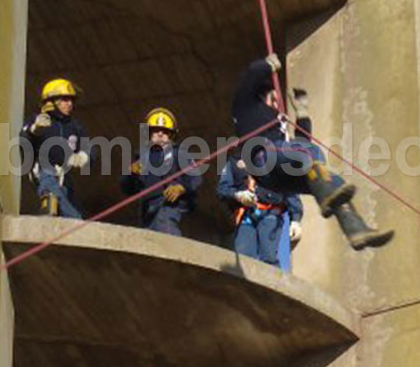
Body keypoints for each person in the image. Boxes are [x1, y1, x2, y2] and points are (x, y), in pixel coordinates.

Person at [231, 54, 394, 250]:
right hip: (263, 159)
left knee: (323, 175)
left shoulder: (275, 120)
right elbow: (250, 77)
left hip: (277, 178)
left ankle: (355, 229)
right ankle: (328, 195)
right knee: (311, 156)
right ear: (264, 95)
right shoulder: (247, 107)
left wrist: (302, 114)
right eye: (274, 98)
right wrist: (266, 65)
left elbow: (300, 144)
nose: (277, 103)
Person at [120, 108, 202, 237]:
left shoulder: (179, 154)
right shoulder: (142, 157)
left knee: (166, 232)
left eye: (165, 131)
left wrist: (181, 188)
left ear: (171, 135)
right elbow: (128, 189)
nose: (160, 134)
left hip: (167, 204)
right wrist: (131, 175)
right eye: (155, 130)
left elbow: (195, 177)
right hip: (146, 208)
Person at [21, 78, 91, 218]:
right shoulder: (39, 120)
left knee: (74, 210)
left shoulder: (74, 127)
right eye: (65, 99)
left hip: (65, 178)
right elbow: (23, 145)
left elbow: (90, 147)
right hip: (45, 172)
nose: (70, 104)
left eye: (71, 100)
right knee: (72, 216)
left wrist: (84, 155)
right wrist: (33, 130)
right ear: (51, 101)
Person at [217, 154, 302, 267]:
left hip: (270, 213)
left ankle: (272, 282)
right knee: (244, 259)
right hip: (245, 216)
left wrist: (295, 219)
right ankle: (246, 284)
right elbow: (222, 189)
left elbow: (289, 190)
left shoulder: (276, 160)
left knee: (269, 258)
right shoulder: (234, 162)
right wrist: (237, 195)